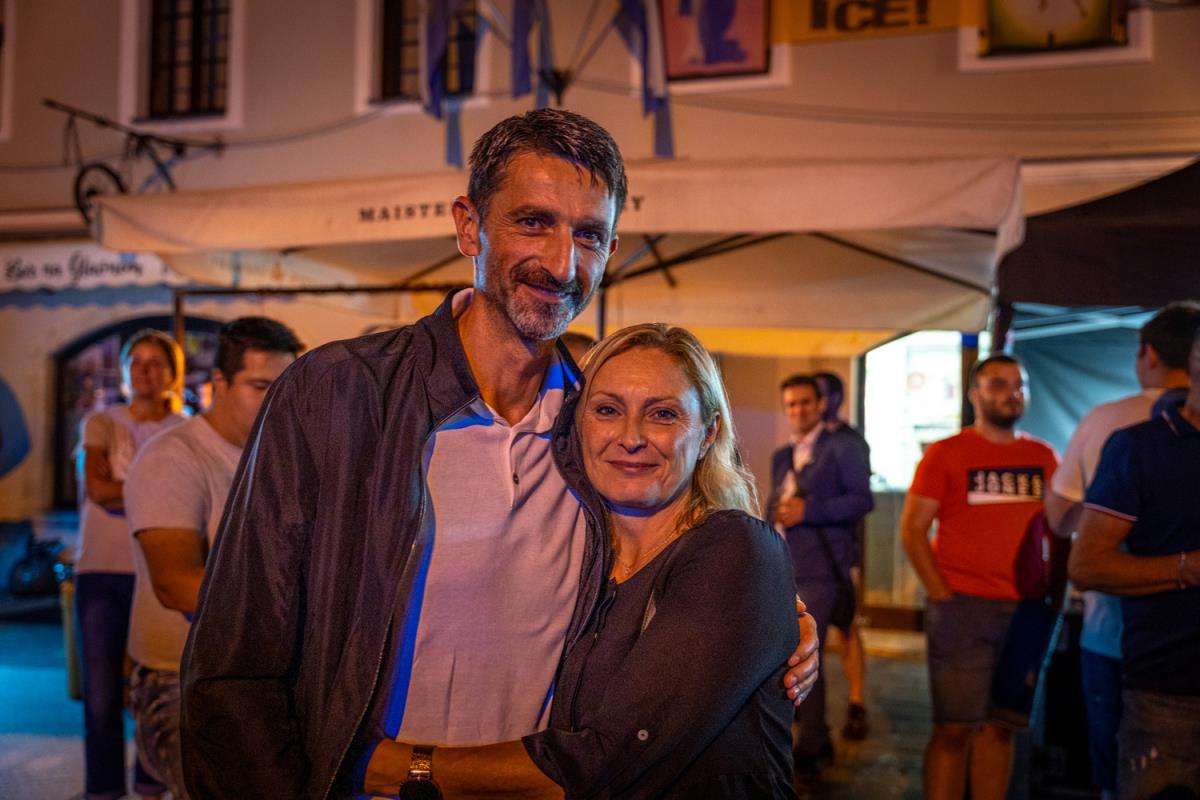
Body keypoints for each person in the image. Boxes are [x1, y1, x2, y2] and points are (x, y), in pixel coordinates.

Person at [180, 109, 819, 800]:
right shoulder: (338, 393)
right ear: (468, 226)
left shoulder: (591, 427)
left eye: (588, 235)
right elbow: (235, 664)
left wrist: (774, 614)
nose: (562, 264)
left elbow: (672, 563)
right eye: (533, 222)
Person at [362, 322, 800, 797]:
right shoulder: (579, 558)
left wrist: (399, 766)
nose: (631, 437)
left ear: (709, 433)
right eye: (608, 410)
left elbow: (610, 762)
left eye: (663, 414)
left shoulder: (735, 547)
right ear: (578, 424)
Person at [124, 317, 303, 798]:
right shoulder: (174, 456)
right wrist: (298, 613)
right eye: (260, 386)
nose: (277, 400)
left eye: (285, 387)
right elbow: (175, 582)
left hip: (259, 672)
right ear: (219, 383)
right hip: (182, 677)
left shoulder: (276, 456)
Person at [1045, 301, 1200, 800]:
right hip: (1154, 661)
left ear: (1149, 354)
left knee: (1112, 772)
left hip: (1113, 638)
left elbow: (1058, 519)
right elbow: (1088, 563)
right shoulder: (1140, 440)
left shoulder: (1105, 420)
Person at [900, 354, 1058, 800]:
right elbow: (912, 530)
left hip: (1026, 611)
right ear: (974, 394)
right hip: (962, 608)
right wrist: (941, 593)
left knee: (1001, 728)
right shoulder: (947, 453)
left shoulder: (1043, 456)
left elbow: (1061, 528)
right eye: (998, 384)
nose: (1012, 393)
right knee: (954, 729)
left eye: (1019, 385)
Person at [75, 329, 185, 800]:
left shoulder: (183, 430)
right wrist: (155, 491)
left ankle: (150, 781)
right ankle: (102, 789)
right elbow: (99, 490)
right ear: (123, 372)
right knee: (101, 694)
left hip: (157, 572)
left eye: (155, 362)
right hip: (100, 570)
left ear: (172, 374)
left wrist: (130, 490)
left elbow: (185, 499)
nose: (144, 371)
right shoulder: (101, 422)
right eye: (135, 362)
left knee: (152, 688)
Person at [768, 373, 873, 790]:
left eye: (805, 403)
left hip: (823, 567)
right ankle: (816, 740)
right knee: (788, 652)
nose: (798, 410)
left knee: (804, 650)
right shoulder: (782, 454)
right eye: (791, 404)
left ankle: (810, 748)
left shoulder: (842, 447)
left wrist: (808, 511)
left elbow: (862, 500)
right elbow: (776, 503)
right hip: (783, 564)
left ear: (820, 404)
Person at [812, 370, 871, 743]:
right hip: (808, 555)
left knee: (847, 628)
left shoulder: (848, 442)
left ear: (836, 398)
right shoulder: (808, 440)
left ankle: (857, 703)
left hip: (839, 553)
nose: (813, 404)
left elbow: (861, 499)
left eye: (819, 395)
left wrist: (810, 510)